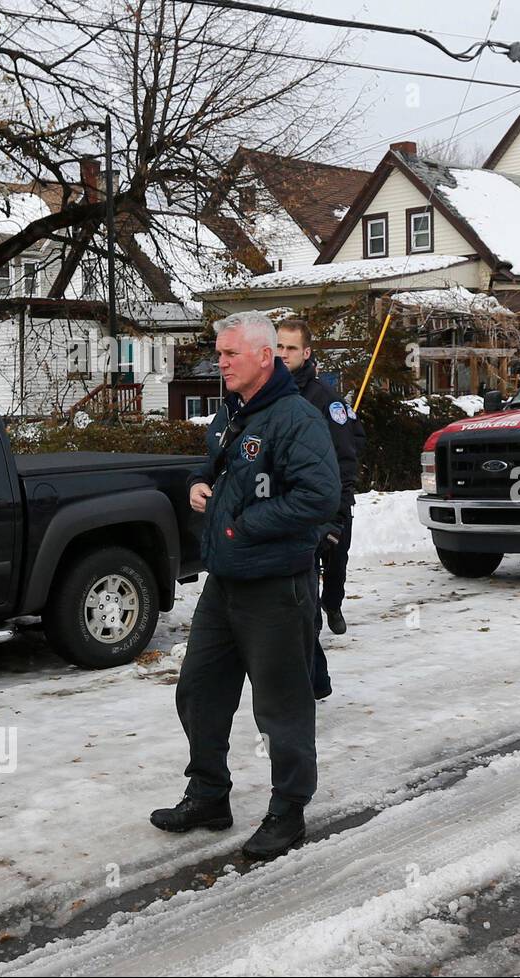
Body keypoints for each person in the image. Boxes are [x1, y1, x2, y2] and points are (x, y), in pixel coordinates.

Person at [150, 311, 340, 861]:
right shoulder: (230, 415)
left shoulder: (296, 419)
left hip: (277, 587)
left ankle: (288, 812)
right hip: (225, 582)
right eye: (220, 352)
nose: (221, 362)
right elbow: (211, 468)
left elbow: (318, 497)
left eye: (231, 353)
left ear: (264, 356)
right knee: (198, 693)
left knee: (281, 707)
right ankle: (209, 794)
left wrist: (241, 525)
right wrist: (198, 484)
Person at [274, 319, 360, 699]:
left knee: (332, 570)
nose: (282, 354)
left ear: (306, 353)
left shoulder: (328, 401)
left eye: (290, 349)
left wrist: (335, 519)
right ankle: (312, 683)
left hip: (322, 510)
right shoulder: (268, 395)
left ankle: (335, 604)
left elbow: (345, 461)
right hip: (287, 513)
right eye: (278, 347)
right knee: (298, 602)